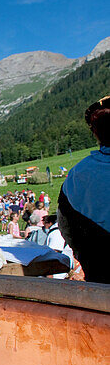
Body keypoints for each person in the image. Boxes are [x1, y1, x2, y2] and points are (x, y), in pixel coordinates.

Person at [57, 94, 110, 284]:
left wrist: (88, 258)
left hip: (100, 276)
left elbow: (65, 225)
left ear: (96, 133)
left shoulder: (77, 174)